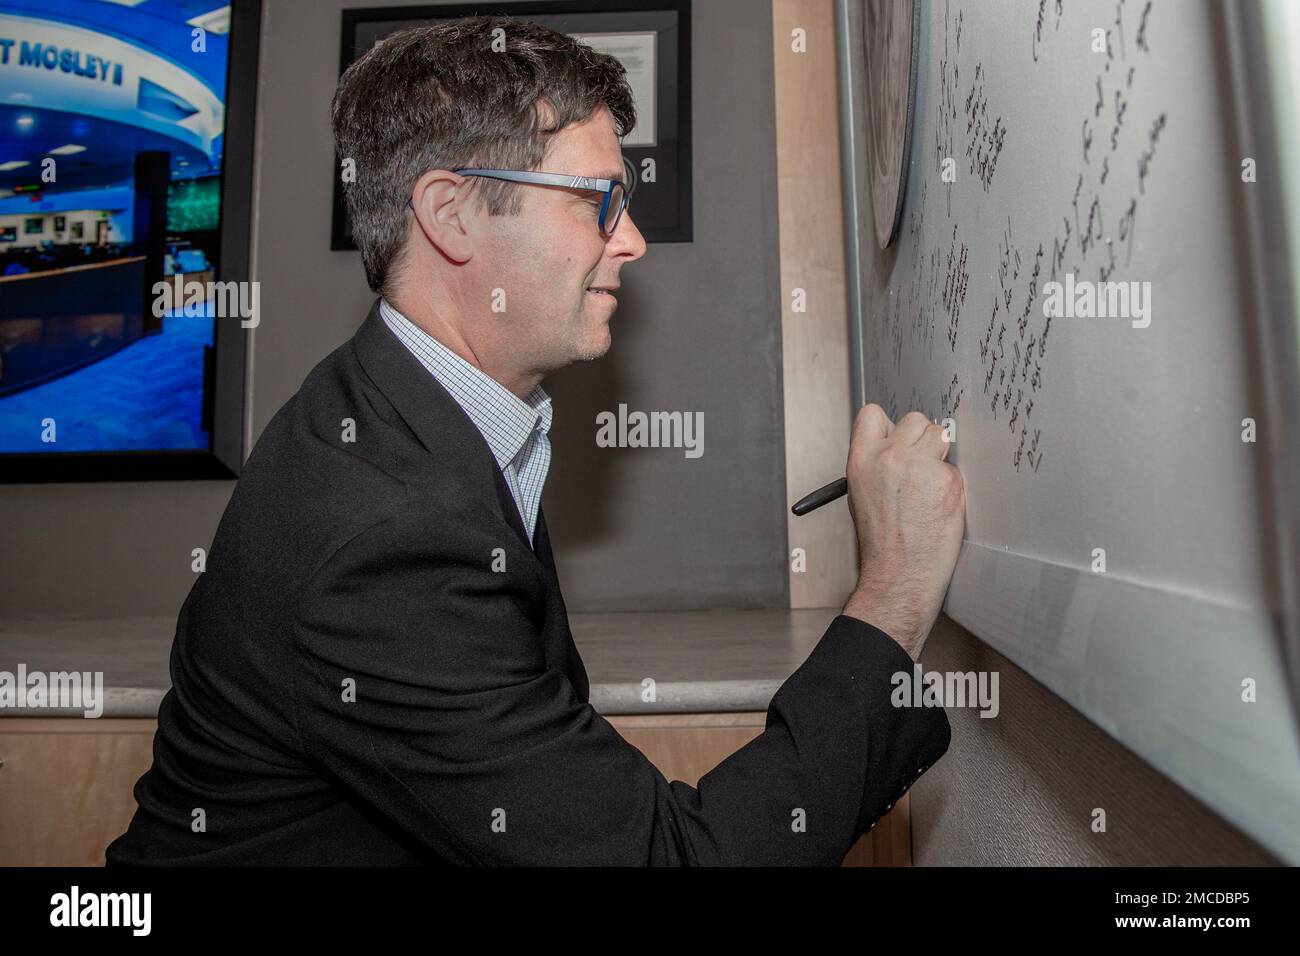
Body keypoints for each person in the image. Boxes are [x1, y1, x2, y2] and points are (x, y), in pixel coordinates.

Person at [106, 15, 965, 866]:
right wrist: (893, 591)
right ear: (452, 216)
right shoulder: (384, 542)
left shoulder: (401, 411)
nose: (630, 240)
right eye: (598, 202)